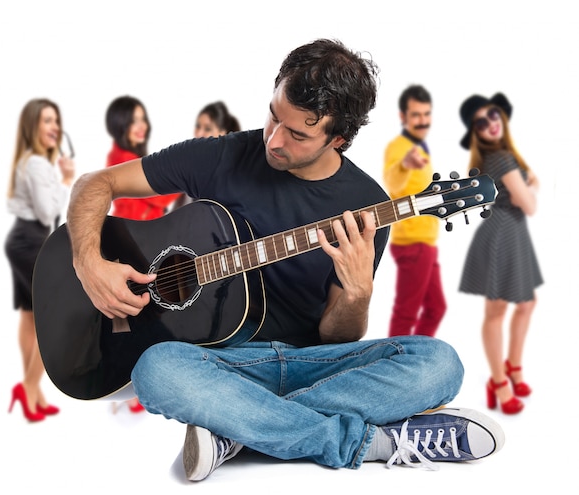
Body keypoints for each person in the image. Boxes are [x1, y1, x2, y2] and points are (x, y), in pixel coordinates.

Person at [66, 39, 504, 481]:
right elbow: (95, 183)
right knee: (156, 370)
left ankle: (236, 430)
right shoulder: (222, 156)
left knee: (440, 364)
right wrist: (89, 263)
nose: (274, 140)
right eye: (274, 116)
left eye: (297, 134)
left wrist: (357, 294)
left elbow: (338, 340)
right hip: (220, 367)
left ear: (339, 138)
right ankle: (364, 442)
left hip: (311, 366)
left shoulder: (366, 205)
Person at [458, 93, 543, 414]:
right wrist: (531, 184)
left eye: (493, 115)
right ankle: (498, 381)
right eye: (481, 122)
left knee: (526, 302)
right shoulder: (503, 159)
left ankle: (514, 367)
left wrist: (527, 181)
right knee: (496, 312)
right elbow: (530, 206)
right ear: (476, 132)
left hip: (512, 232)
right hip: (504, 233)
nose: (490, 123)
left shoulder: (504, 157)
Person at [105, 95, 181, 413]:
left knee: (145, 311)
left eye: (142, 119)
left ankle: (139, 380)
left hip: (144, 242)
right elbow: (158, 199)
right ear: (120, 124)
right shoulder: (121, 158)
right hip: (133, 246)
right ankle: (139, 380)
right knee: (145, 311)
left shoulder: (133, 157)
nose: (141, 126)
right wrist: (186, 179)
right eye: (133, 120)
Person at [5, 98, 75, 422]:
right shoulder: (36, 164)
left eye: (56, 121)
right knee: (55, 315)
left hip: (23, 238)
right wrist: (64, 180)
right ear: (33, 126)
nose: (55, 127)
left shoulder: (31, 162)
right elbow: (49, 212)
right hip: (31, 239)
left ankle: (31, 390)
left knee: (30, 314)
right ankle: (30, 385)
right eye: (47, 120)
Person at [382, 85, 446, 337]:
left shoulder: (421, 146)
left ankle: (416, 357)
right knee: (406, 313)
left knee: (436, 308)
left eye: (426, 114)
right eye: (416, 115)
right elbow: (392, 180)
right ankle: (396, 365)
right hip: (412, 243)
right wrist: (405, 165)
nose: (422, 121)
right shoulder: (400, 148)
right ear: (403, 117)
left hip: (426, 242)